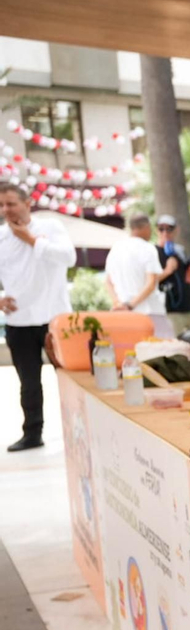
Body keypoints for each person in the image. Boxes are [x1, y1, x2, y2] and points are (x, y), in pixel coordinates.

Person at [0, 182, 73, 451]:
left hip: (54, 318)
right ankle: (32, 433)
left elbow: (69, 257)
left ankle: (77, 429)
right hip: (19, 321)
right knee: (28, 384)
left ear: (28, 203)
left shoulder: (50, 228)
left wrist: (30, 239)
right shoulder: (1, 237)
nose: (6, 210)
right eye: (2, 205)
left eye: (11, 203)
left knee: (68, 380)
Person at [105, 213, 169, 333]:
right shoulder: (147, 248)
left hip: (123, 314)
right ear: (146, 227)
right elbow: (151, 283)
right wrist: (130, 305)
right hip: (149, 311)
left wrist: (118, 304)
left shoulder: (116, 248)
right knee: (159, 349)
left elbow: (108, 282)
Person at [156, 214, 190, 334]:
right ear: (157, 230)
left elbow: (188, 276)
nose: (165, 232)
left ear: (176, 230)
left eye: (169, 228)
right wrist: (167, 271)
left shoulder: (179, 250)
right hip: (170, 310)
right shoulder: (153, 252)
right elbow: (150, 281)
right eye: (161, 228)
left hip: (189, 307)